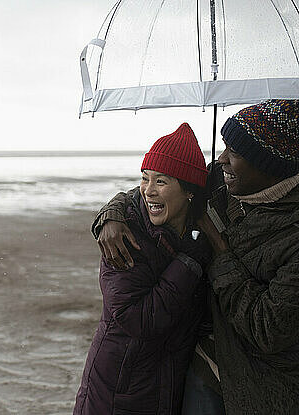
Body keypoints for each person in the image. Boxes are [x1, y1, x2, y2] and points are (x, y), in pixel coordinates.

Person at [94, 100, 299, 414]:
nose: (221, 160)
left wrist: (219, 251)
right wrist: (112, 214)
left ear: (269, 166)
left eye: (236, 153)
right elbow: (159, 186)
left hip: (257, 386)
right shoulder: (221, 180)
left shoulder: (291, 232)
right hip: (198, 365)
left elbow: (268, 328)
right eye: (225, 147)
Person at [73, 123, 212, 415]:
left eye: (161, 181)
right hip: (117, 393)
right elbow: (137, 319)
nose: (148, 190)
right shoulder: (124, 236)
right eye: (145, 178)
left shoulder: (197, 230)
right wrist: (188, 263)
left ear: (188, 191)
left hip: (166, 386)